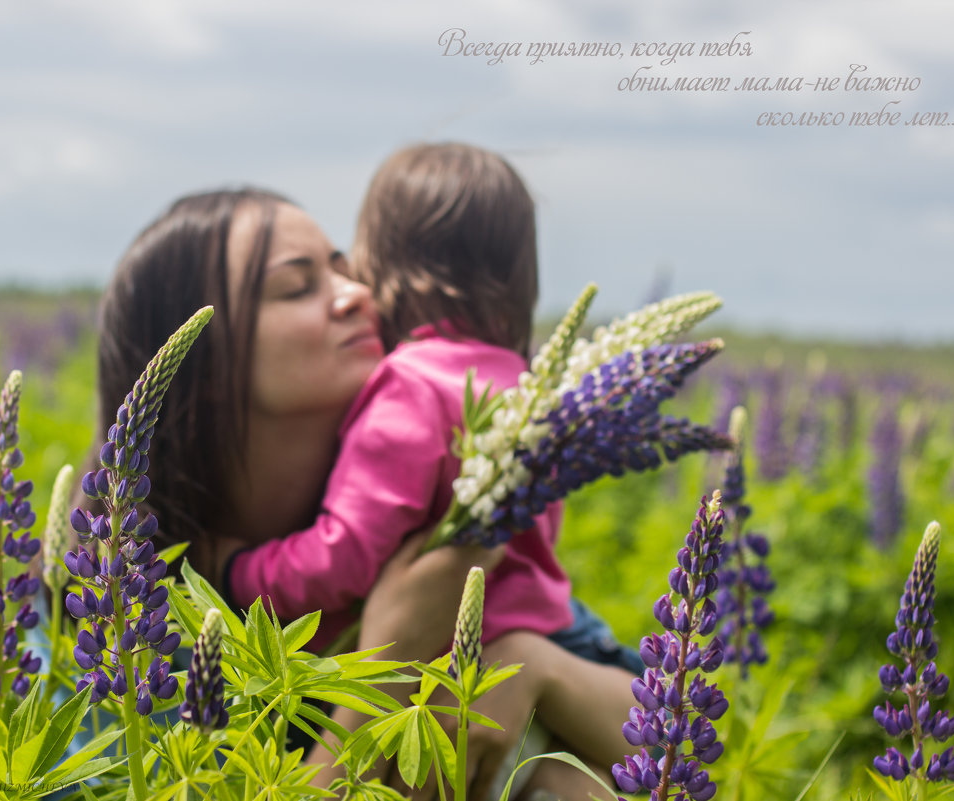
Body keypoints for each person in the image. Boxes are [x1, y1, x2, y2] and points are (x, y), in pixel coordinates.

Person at [94, 182, 635, 800]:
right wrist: (388, 660)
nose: (357, 296)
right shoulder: (129, 622)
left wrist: (534, 666)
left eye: (347, 273)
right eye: (299, 286)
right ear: (206, 368)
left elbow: (681, 746)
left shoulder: (421, 537)